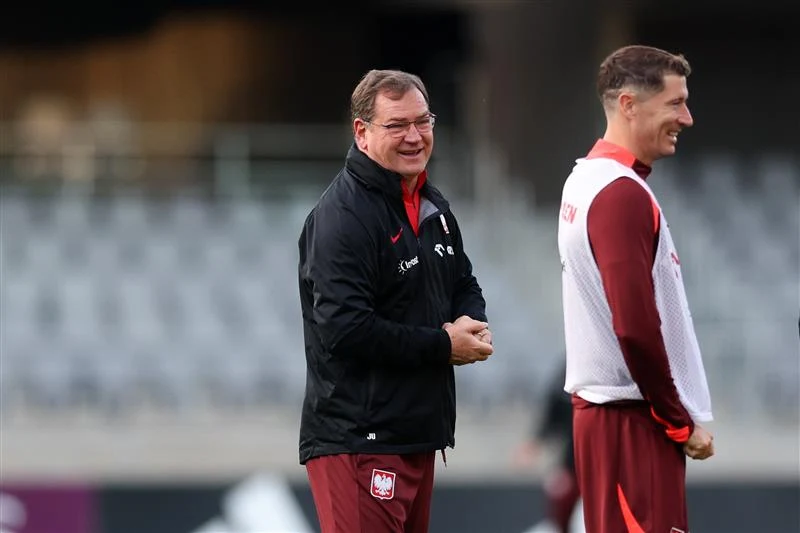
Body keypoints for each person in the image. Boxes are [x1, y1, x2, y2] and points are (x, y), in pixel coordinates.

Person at [297, 69, 494, 533]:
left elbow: (462, 281)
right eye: (397, 125)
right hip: (359, 440)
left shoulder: (432, 204)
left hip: (416, 435)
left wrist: (472, 321)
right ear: (362, 133)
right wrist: (443, 347)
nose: (414, 136)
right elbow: (345, 329)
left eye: (423, 122)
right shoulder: (342, 218)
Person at [557, 45, 715, 532]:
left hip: (615, 421)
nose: (686, 118)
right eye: (675, 103)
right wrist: (677, 419)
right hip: (631, 423)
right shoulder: (619, 193)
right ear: (628, 104)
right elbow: (635, 326)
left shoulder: (587, 180)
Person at [514, 360, 580, 533]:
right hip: (573, 465)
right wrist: (535, 441)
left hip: (608, 465)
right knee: (562, 501)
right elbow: (554, 407)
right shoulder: (571, 368)